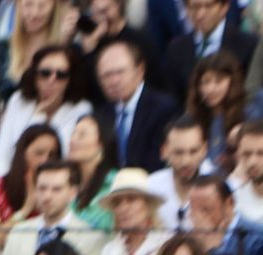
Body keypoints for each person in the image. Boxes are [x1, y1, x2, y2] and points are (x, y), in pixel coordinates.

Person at [0, 161, 107, 255]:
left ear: (73, 193)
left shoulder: (91, 237)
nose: (47, 196)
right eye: (42, 188)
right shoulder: (19, 232)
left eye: (56, 189)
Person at [0, 44, 91, 179]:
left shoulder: (81, 109)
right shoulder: (18, 101)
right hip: (13, 181)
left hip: (54, 185)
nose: (51, 80)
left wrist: (41, 115)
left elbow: (64, 155)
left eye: (61, 75)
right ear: (35, 75)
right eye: (45, 73)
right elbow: (2, 151)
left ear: (69, 80)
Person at [94, 39, 179, 173]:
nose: (114, 81)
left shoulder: (163, 108)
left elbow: (158, 160)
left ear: (140, 71)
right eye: (107, 75)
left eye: (120, 72)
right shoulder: (100, 115)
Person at [0, 124, 61, 247]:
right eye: (39, 153)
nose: (45, 161)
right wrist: (26, 209)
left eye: (52, 155)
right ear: (22, 155)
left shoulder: (61, 193)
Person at [165, 0, 256, 99]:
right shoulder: (177, 48)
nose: (200, 14)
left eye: (208, 6)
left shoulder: (249, 44)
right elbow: (172, 96)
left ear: (224, 7)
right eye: (194, 7)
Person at [186, 174, 263, 255]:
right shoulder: (188, 239)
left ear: (229, 203)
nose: (197, 219)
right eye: (193, 210)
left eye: (205, 210)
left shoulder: (256, 238)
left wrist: (213, 250)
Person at [187, 51, 246, 169]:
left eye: (219, 81)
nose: (210, 89)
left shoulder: (246, 113)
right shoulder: (192, 117)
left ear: (232, 81)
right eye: (205, 82)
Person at [68, 114, 119, 230]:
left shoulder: (115, 184)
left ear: (101, 145)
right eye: (73, 134)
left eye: (82, 135)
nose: (72, 140)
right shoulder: (66, 181)